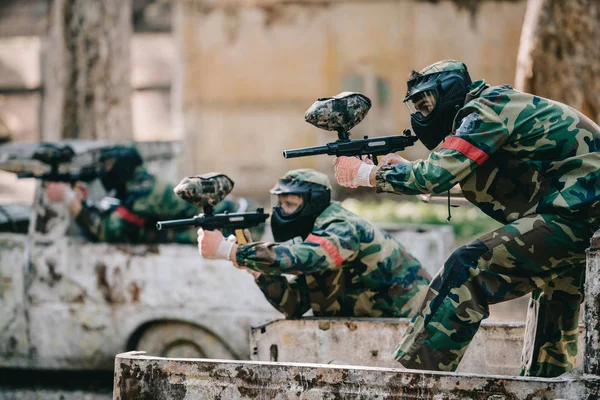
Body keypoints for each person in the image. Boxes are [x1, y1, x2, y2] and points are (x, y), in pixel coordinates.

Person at [332, 59, 600, 377]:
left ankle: (417, 383)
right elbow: (475, 178)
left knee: (467, 268)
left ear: (451, 92)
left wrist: (368, 174)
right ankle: (547, 388)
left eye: (426, 102)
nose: (421, 114)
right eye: (415, 105)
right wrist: (405, 175)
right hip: (584, 213)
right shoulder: (497, 106)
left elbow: (439, 174)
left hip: (578, 213)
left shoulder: (484, 109)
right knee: (554, 302)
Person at [197, 168, 431, 319]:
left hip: (422, 326)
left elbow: (305, 258)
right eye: (279, 203)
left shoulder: (341, 227)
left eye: (289, 203)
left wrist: (230, 250)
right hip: (386, 332)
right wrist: (255, 269)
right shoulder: (316, 237)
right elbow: (294, 304)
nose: (281, 211)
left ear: (313, 203)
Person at [45, 145, 260, 244]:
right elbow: (116, 213)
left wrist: (68, 199)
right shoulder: (139, 185)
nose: (103, 173)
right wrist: (85, 203)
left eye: (108, 167)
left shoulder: (145, 194)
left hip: (240, 230)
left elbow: (107, 231)